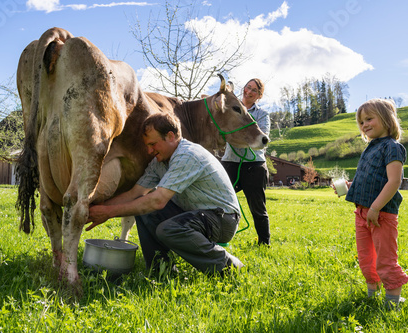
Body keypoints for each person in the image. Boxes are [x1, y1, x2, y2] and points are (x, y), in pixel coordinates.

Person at [86, 112, 243, 275]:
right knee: (142, 207)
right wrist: (96, 209)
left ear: (170, 136)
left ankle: (228, 266)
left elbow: (157, 201)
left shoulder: (186, 155)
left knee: (168, 228)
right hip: (195, 214)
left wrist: (108, 213)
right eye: (147, 145)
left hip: (222, 219)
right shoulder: (159, 162)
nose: (149, 151)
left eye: (153, 144)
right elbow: (135, 193)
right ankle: (160, 269)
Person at [337, 98, 408, 309]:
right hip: (362, 213)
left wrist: (376, 208)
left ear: (386, 119)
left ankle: (392, 302)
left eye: (369, 119)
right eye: (361, 122)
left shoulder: (393, 147)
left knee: (385, 259)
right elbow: (370, 180)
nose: (364, 125)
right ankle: (372, 296)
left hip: (382, 214)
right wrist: (349, 188)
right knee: (366, 258)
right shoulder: (370, 148)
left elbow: (394, 181)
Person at [221, 78, 271, 246]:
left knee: (258, 208)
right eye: (248, 87)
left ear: (259, 96)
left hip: (254, 166)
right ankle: (215, 237)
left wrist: (239, 130)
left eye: (254, 90)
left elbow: (262, 140)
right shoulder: (229, 109)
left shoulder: (262, 114)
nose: (249, 92)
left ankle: (264, 243)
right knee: (218, 201)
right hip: (230, 162)